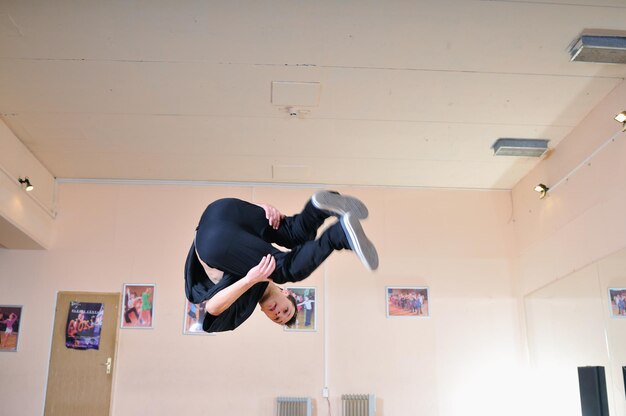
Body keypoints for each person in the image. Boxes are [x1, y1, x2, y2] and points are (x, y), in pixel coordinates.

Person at [184, 190, 378, 333]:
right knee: (291, 239)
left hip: (217, 226)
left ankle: (337, 232)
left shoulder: (245, 303)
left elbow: (211, 308)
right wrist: (261, 209)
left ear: (265, 314)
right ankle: (320, 210)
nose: (278, 312)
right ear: (286, 294)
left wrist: (249, 280)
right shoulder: (263, 270)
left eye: (276, 317)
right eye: (285, 310)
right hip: (225, 215)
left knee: (286, 267)